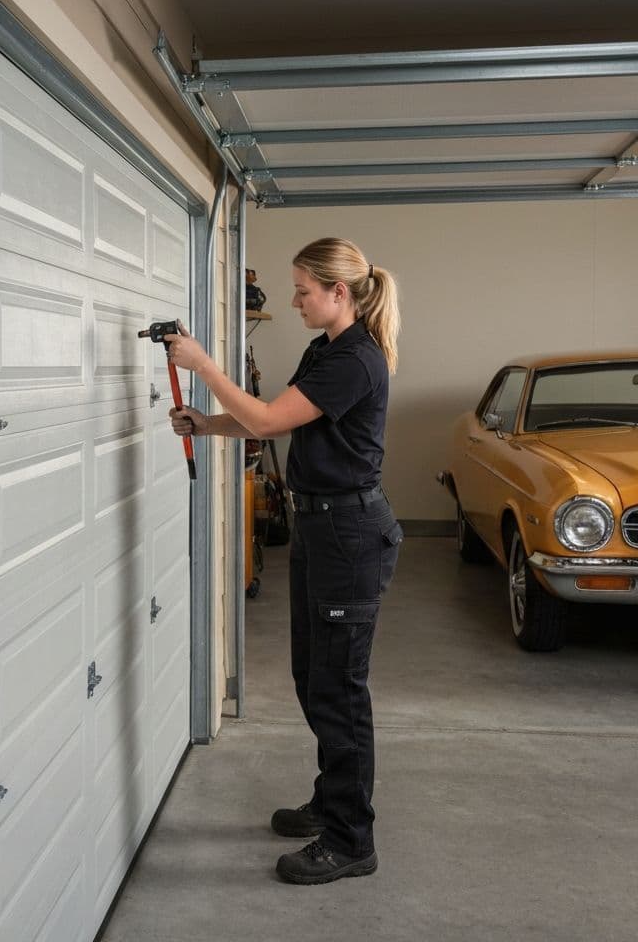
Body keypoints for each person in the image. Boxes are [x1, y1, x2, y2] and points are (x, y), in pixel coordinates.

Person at [165, 236, 402, 885]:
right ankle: (332, 802)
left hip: (349, 534)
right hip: (321, 528)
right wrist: (207, 424)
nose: (295, 301)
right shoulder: (325, 349)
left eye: (303, 291)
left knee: (339, 689)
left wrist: (202, 364)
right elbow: (280, 419)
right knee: (313, 677)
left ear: (338, 292)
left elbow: (270, 420)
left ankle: (352, 839)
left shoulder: (356, 358)